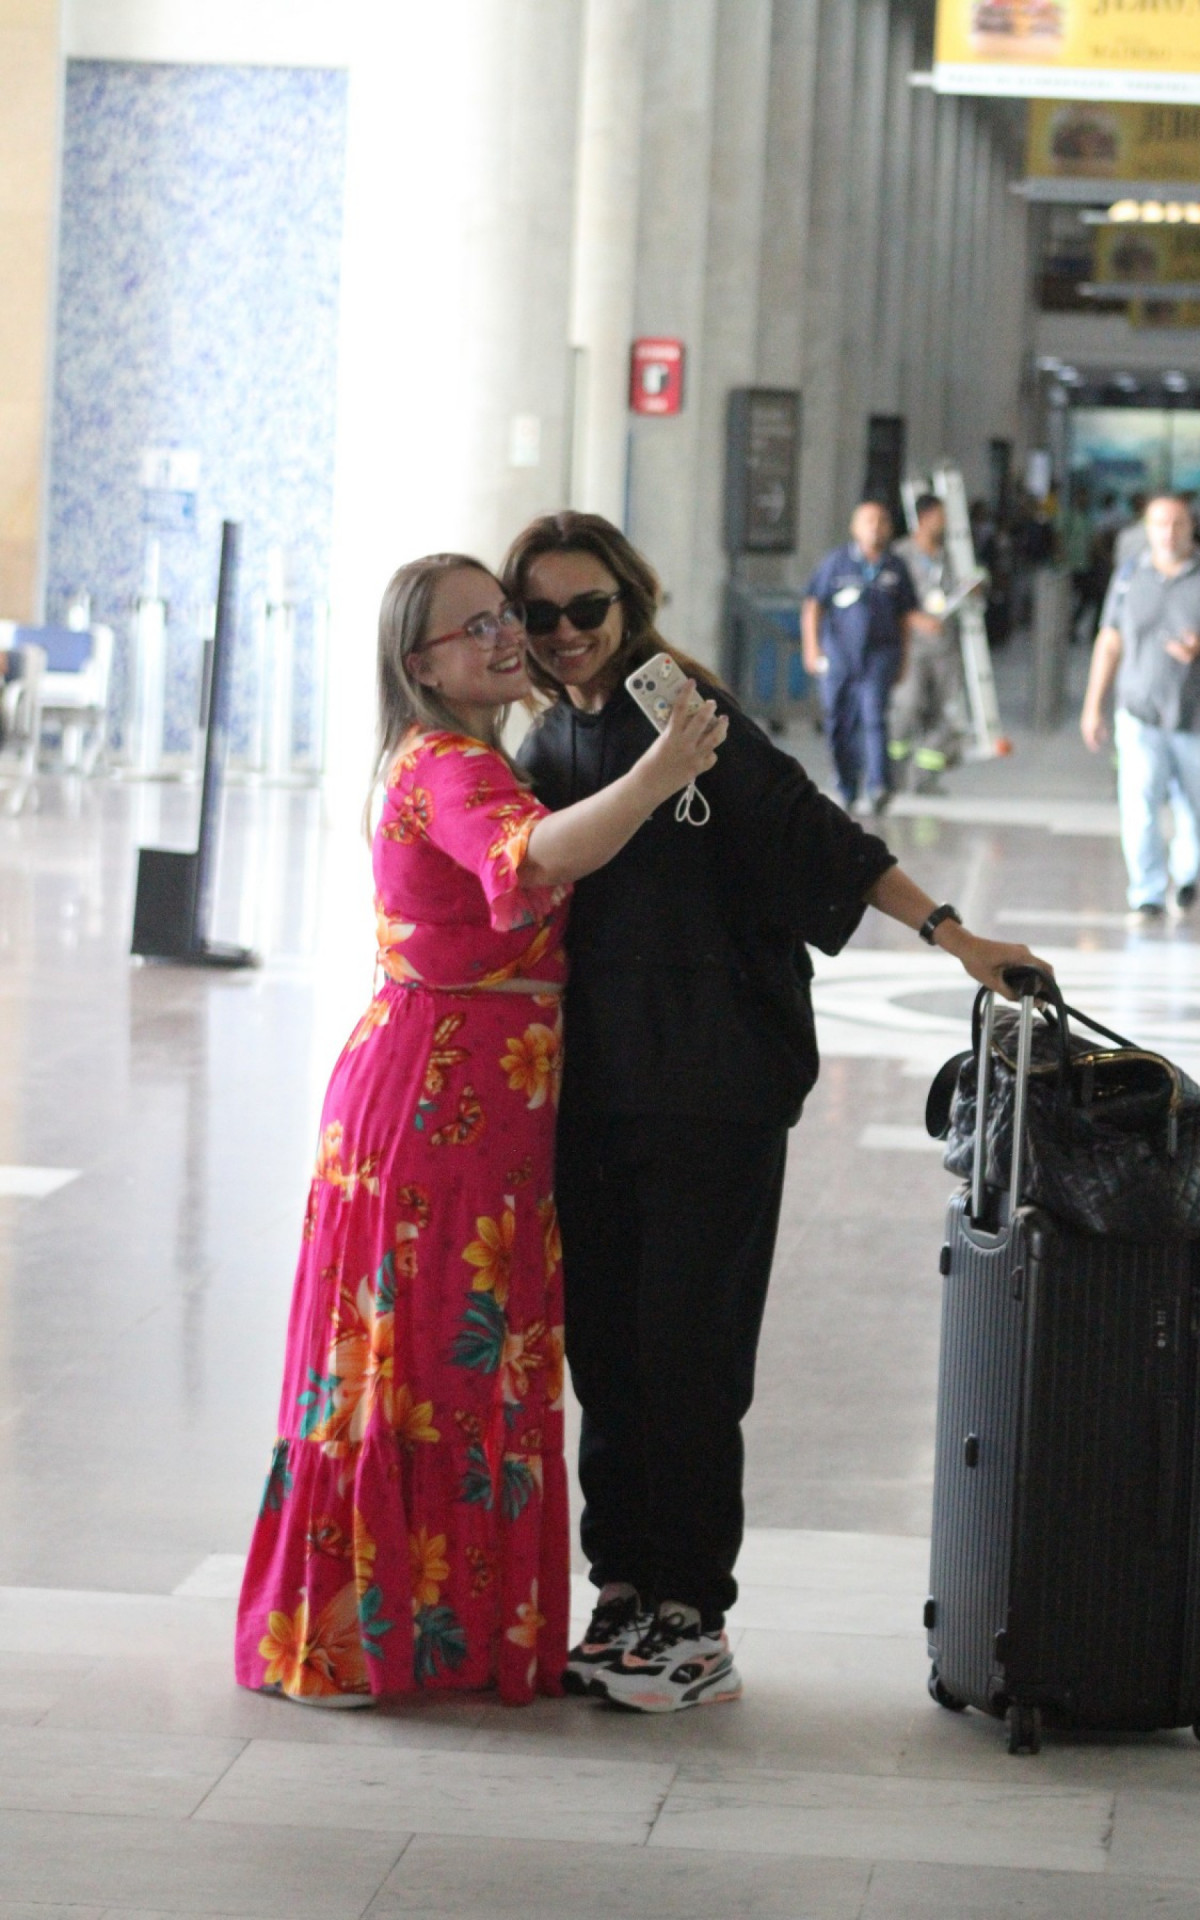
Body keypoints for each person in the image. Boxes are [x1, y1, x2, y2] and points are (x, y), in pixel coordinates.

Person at [503, 509, 1048, 1715]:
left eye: (587, 608)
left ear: (628, 603)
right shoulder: (549, 737)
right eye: (540, 615)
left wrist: (953, 936)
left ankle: (693, 1614)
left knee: (688, 1352)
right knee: (610, 1352)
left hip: (712, 1087)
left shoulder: (678, 710)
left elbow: (818, 838)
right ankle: (626, 1593)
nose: (566, 634)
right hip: (597, 1093)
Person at [234, 552, 726, 1707]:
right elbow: (534, 855)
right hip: (436, 1108)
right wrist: (661, 773)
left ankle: (411, 1631)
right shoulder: (449, 763)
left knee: (444, 1359)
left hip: (468, 1104)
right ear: (422, 665)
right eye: (479, 627)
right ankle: (373, 1638)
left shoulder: (469, 754)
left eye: (507, 617)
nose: (510, 637)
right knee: (422, 1362)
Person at [1080, 493, 1200, 923]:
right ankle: (1146, 892)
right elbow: (1110, 640)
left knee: (1194, 809)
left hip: (1193, 718)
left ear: (1191, 528)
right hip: (1139, 711)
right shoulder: (1130, 577)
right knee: (1140, 804)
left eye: (1178, 524)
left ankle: (1187, 877)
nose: (1169, 533)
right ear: (1145, 529)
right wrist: (1093, 705)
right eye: (1160, 524)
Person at [802, 500, 935, 814]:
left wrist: (903, 659)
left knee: (874, 717)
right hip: (840, 657)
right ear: (855, 527)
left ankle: (878, 786)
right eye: (868, 521)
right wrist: (812, 648)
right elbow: (813, 606)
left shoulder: (895, 568)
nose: (875, 527)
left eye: (881, 521)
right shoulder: (836, 564)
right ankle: (847, 786)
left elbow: (905, 615)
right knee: (839, 721)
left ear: (889, 528)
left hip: (880, 656)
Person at [889, 493, 974, 793]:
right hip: (911, 647)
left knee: (945, 714)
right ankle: (893, 775)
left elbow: (958, 591)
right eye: (940, 516)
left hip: (944, 647)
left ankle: (925, 778)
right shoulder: (900, 555)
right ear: (925, 518)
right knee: (907, 707)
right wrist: (914, 619)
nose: (945, 523)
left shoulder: (950, 556)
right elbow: (890, 601)